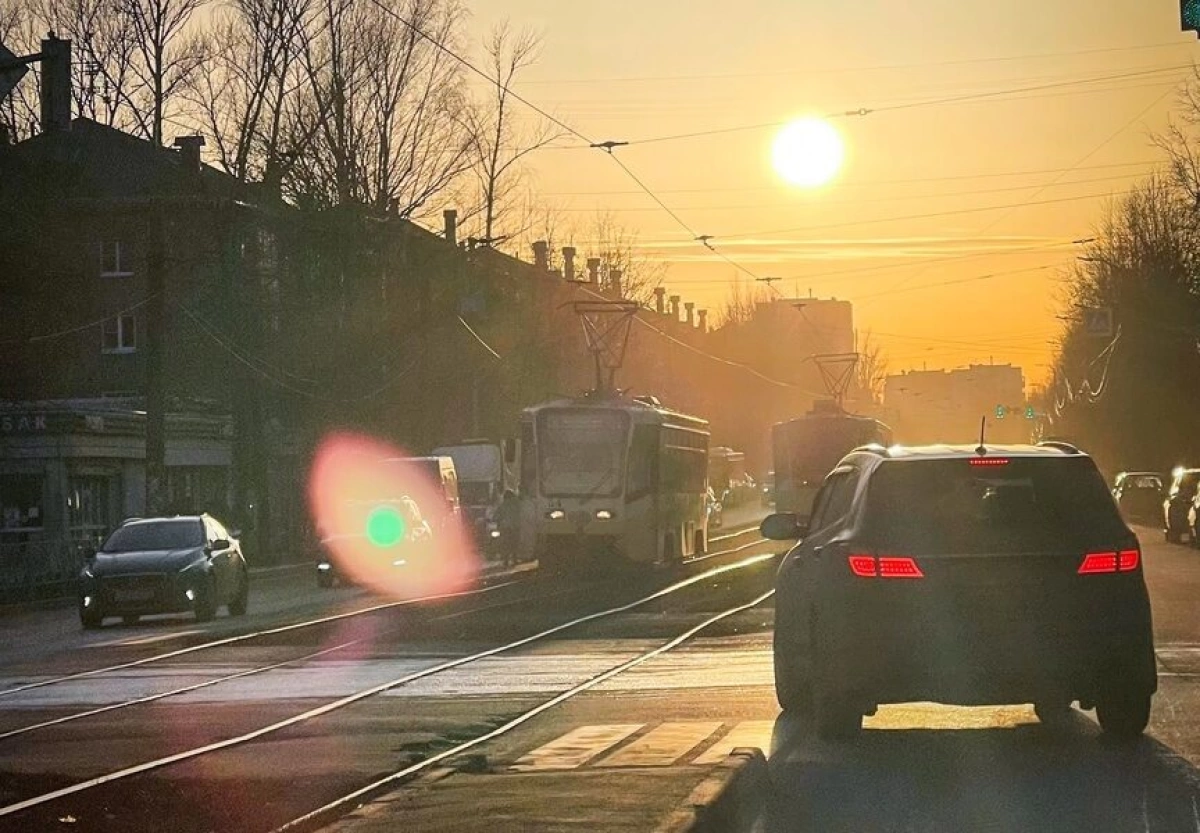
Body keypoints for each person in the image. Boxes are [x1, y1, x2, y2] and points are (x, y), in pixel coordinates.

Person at [493, 489, 520, 567]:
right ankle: (515, 560)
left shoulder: (503, 505)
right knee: (514, 544)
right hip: (515, 527)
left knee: (505, 545)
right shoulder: (517, 504)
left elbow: (496, 516)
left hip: (505, 528)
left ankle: (506, 561)